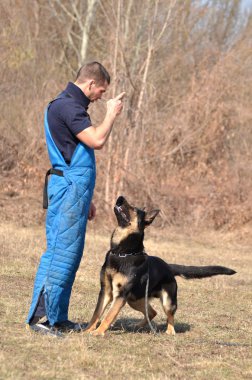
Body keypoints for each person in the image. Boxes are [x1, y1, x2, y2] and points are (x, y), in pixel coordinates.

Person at [26, 61, 125, 335]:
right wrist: (111, 114)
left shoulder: (72, 106)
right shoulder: (68, 105)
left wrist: (87, 198)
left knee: (70, 255)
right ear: (90, 84)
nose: (102, 96)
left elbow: (71, 154)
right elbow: (96, 140)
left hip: (73, 191)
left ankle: (58, 318)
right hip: (67, 190)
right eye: (101, 91)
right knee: (59, 253)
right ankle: (41, 320)